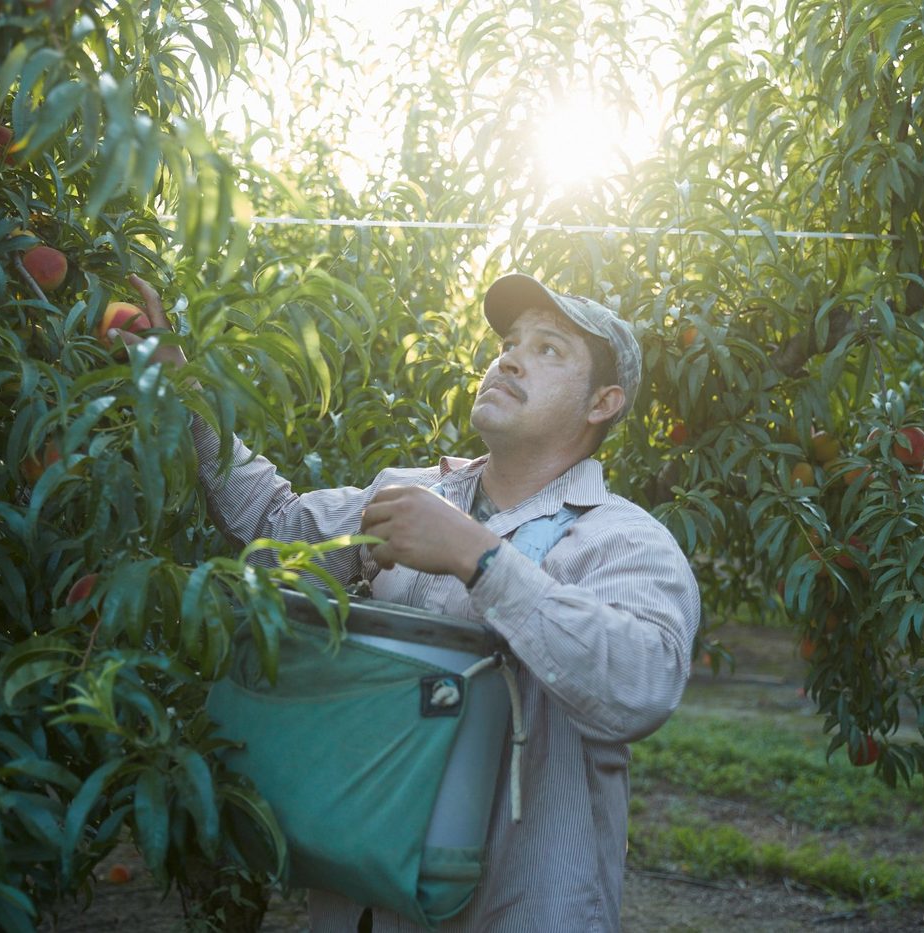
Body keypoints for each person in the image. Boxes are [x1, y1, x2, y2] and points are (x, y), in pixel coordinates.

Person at [117, 271, 701, 932]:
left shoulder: (624, 542)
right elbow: (279, 528)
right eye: (510, 340)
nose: (510, 356)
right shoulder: (411, 495)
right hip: (367, 900)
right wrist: (183, 390)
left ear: (603, 403)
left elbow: (642, 684)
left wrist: (478, 558)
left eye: (549, 350)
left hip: (521, 907)